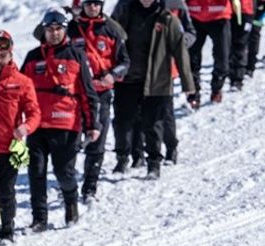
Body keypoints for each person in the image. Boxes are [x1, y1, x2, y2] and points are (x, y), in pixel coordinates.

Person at [22, 9, 99, 232]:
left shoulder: (76, 55)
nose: (54, 33)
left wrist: (92, 124)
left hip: (66, 125)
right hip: (36, 125)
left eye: (58, 29)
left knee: (63, 172)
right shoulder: (32, 57)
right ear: (43, 31)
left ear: (64, 30)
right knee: (35, 173)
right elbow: (19, 91)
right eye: (50, 29)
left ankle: (71, 204)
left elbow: (88, 92)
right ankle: (39, 219)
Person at [111, 0, 195, 175]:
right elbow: (108, 36)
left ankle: (154, 162)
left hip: (156, 79)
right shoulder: (125, 11)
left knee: (154, 123)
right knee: (123, 122)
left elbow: (180, 50)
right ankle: (123, 158)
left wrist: (188, 83)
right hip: (127, 79)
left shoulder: (168, 19)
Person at [0, 30, 41, 245]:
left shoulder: (22, 82)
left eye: (2, 55)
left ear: (11, 54)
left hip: (8, 146)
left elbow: (35, 113)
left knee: (6, 191)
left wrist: (25, 127)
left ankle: (7, 230)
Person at [69, 0, 129, 202]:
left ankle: (90, 187)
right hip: (75, 93)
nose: (92, 7)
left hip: (101, 92)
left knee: (98, 138)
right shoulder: (71, 27)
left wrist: (113, 75)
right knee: (71, 141)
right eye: (88, 3)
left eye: (96, 3)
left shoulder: (111, 28)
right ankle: (68, 185)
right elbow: (42, 38)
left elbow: (124, 61)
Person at [186, 0, 232, 107]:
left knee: (223, 57)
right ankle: (193, 94)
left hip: (219, 16)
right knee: (191, 59)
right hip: (194, 15)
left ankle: (217, 88)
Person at [228, 0, 257, 89]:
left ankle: (238, 77)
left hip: (246, 11)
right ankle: (229, 73)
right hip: (227, 11)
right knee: (229, 44)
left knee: (241, 44)